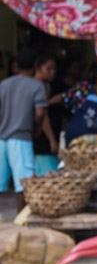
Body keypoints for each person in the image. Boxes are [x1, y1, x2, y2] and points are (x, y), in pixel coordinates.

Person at [0, 49, 48, 212]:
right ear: (35, 65)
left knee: (1, 183)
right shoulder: (36, 86)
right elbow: (40, 112)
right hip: (20, 138)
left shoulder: (4, 84)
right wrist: (37, 127)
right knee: (24, 184)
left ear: (15, 65)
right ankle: (22, 223)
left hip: (1, 138)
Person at [32, 53, 61, 175]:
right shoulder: (37, 87)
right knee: (48, 175)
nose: (52, 72)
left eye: (54, 69)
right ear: (38, 68)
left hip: (43, 137)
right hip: (41, 138)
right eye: (48, 69)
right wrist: (52, 140)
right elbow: (43, 116)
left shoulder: (46, 86)